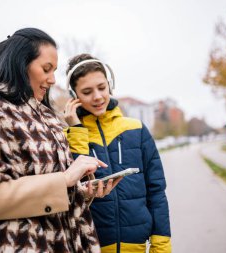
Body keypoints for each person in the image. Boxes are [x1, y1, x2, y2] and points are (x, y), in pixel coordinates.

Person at [0, 28, 119, 253]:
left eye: (54, 70)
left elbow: (52, 192)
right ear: (20, 64)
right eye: (46, 69)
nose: (53, 80)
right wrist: (64, 180)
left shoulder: (46, 115)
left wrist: (80, 192)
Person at [63, 54, 172, 253]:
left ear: (110, 85)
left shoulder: (137, 130)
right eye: (87, 92)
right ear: (74, 95)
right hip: (93, 247)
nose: (97, 97)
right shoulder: (68, 136)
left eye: (102, 87)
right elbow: (75, 192)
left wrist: (161, 246)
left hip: (138, 247)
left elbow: (156, 191)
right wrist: (76, 131)